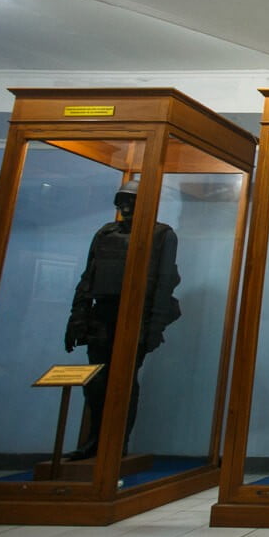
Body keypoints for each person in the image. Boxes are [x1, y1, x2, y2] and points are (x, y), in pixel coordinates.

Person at [64, 179, 180, 459]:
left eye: (132, 201)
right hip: (102, 314)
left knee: (125, 381)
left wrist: (153, 327)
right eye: (122, 201)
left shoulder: (161, 235)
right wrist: (76, 319)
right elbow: (88, 277)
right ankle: (96, 439)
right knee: (95, 382)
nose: (126, 207)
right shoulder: (106, 234)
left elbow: (164, 284)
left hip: (136, 316)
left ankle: (117, 443)